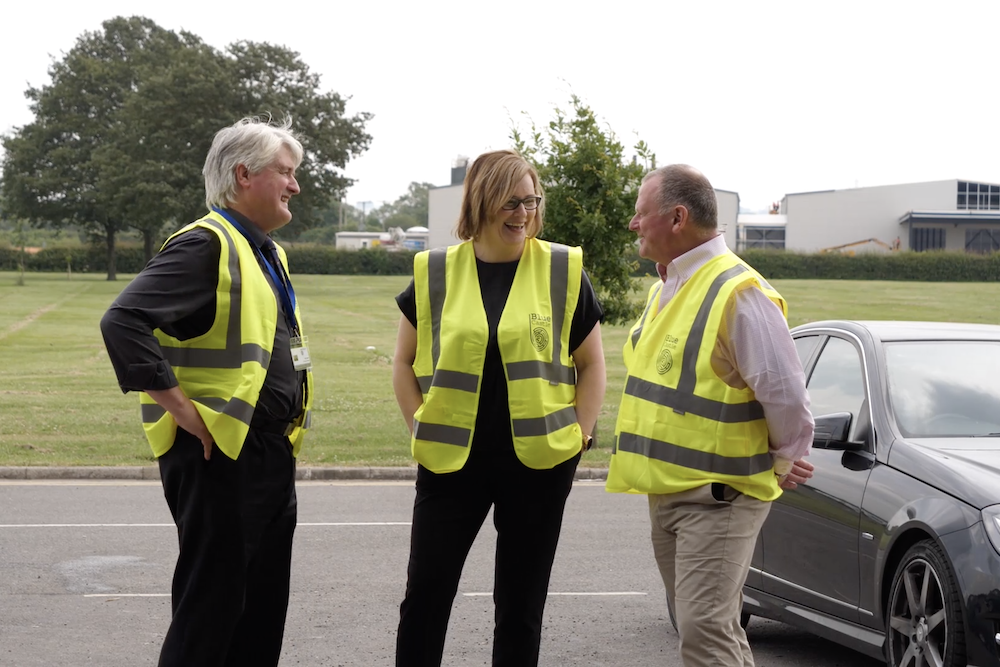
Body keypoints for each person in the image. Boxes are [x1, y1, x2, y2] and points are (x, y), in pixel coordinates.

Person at [100, 117, 313, 667]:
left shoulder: (267, 252)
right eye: (285, 174)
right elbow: (122, 321)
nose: (295, 186)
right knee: (211, 613)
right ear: (244, 175)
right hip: (218, 454)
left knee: (260, 614)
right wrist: (184, 412)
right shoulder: (205, 245)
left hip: (266, 453)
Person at [391, 149, 606, 667]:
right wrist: (420, 422)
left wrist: (579, 434)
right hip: (451, 465)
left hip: (540, 464)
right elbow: (402, 363)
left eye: (531, 201)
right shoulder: (435, 271)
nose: (523, 214)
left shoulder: (562, 269)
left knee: (520, 605)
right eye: (511, 202)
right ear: (482, 201)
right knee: (426, 596)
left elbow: (592, 366)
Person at [606, 164, 816, 667]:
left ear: (677, 218)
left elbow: (785, 393)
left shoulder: (738, 292)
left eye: (641, 214)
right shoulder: (667, 287)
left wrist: (788, 458)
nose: (633, 224)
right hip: (669, 491)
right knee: (702, 628)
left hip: (718, 496)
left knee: (704, 630)